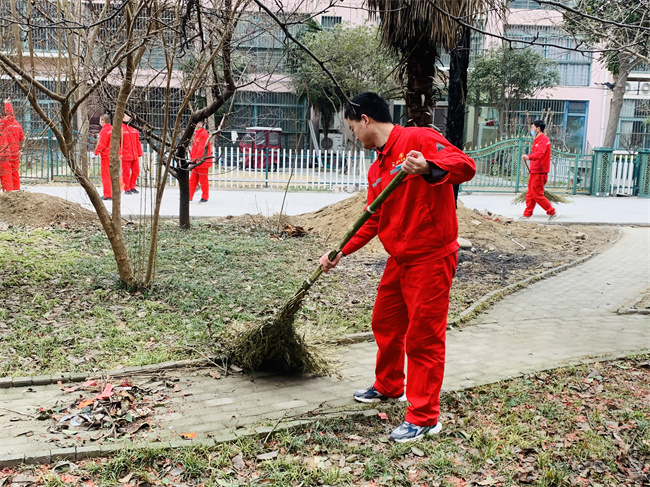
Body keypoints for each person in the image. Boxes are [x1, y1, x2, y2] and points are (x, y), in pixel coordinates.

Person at [319, 92, 476, 443]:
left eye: (351, 128)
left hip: (431, 259)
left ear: (365, 120)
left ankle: (423, 416)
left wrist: (429, 168)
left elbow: (466, 165)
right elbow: (373, 219)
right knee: (385, 322)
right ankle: (390, 384)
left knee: (423, 339)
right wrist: (340, 251)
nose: (353, 136)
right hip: (399, 260)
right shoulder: (377, 168)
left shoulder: (418, 139)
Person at [521, 120, 558, 221]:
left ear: (538, 129)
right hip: (535, 170)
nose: (531, 130)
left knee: (537, 195)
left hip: (540, 171)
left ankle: (552, 212)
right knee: (530, 194)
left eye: (532, 127)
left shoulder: (543, 140)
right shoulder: (537, 139)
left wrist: (528, 157)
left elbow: (540, 153)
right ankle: (527, 214)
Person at [2, 98, 24, 191]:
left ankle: (9, 193)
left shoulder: (3, 124)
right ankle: (16, 192)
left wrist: (6, 104)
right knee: (15, 173)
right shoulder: (18, 125)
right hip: (15, 152)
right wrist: (20, 149)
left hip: (5, 153)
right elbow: (22, 138)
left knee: (7, 174)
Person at [189, 121, 213, 204]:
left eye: (199, 122)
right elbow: (195, 148)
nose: (197, 124)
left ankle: (205, 197)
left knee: (203, 180)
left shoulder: (203, 134)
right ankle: (189, 196)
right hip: (196, 161)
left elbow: (201, 149)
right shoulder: (197, 133)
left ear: (202, 124)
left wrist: (196, 160)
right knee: (192, 180)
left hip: (202, 161)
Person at [94, 114, 116, 200]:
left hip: (106, 155)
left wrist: (95, 153)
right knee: (113, 175)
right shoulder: (113, 129)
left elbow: (101, 144)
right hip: (114, 155)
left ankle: (107, 194)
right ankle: (113, 193)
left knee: (106, 175)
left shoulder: (104, 131)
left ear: (103, 121)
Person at [121, 114, 143, 195]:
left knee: (136, 171)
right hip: (125, 155)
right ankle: (127, 188)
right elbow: (118, 143)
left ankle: (132, 186)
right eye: (126, 116)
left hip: (134, 154)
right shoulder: (120, 128)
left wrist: (139, 152)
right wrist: (120, 153)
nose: (128, 117)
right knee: (126, 173)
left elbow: (138, 141)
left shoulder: (134, 128)